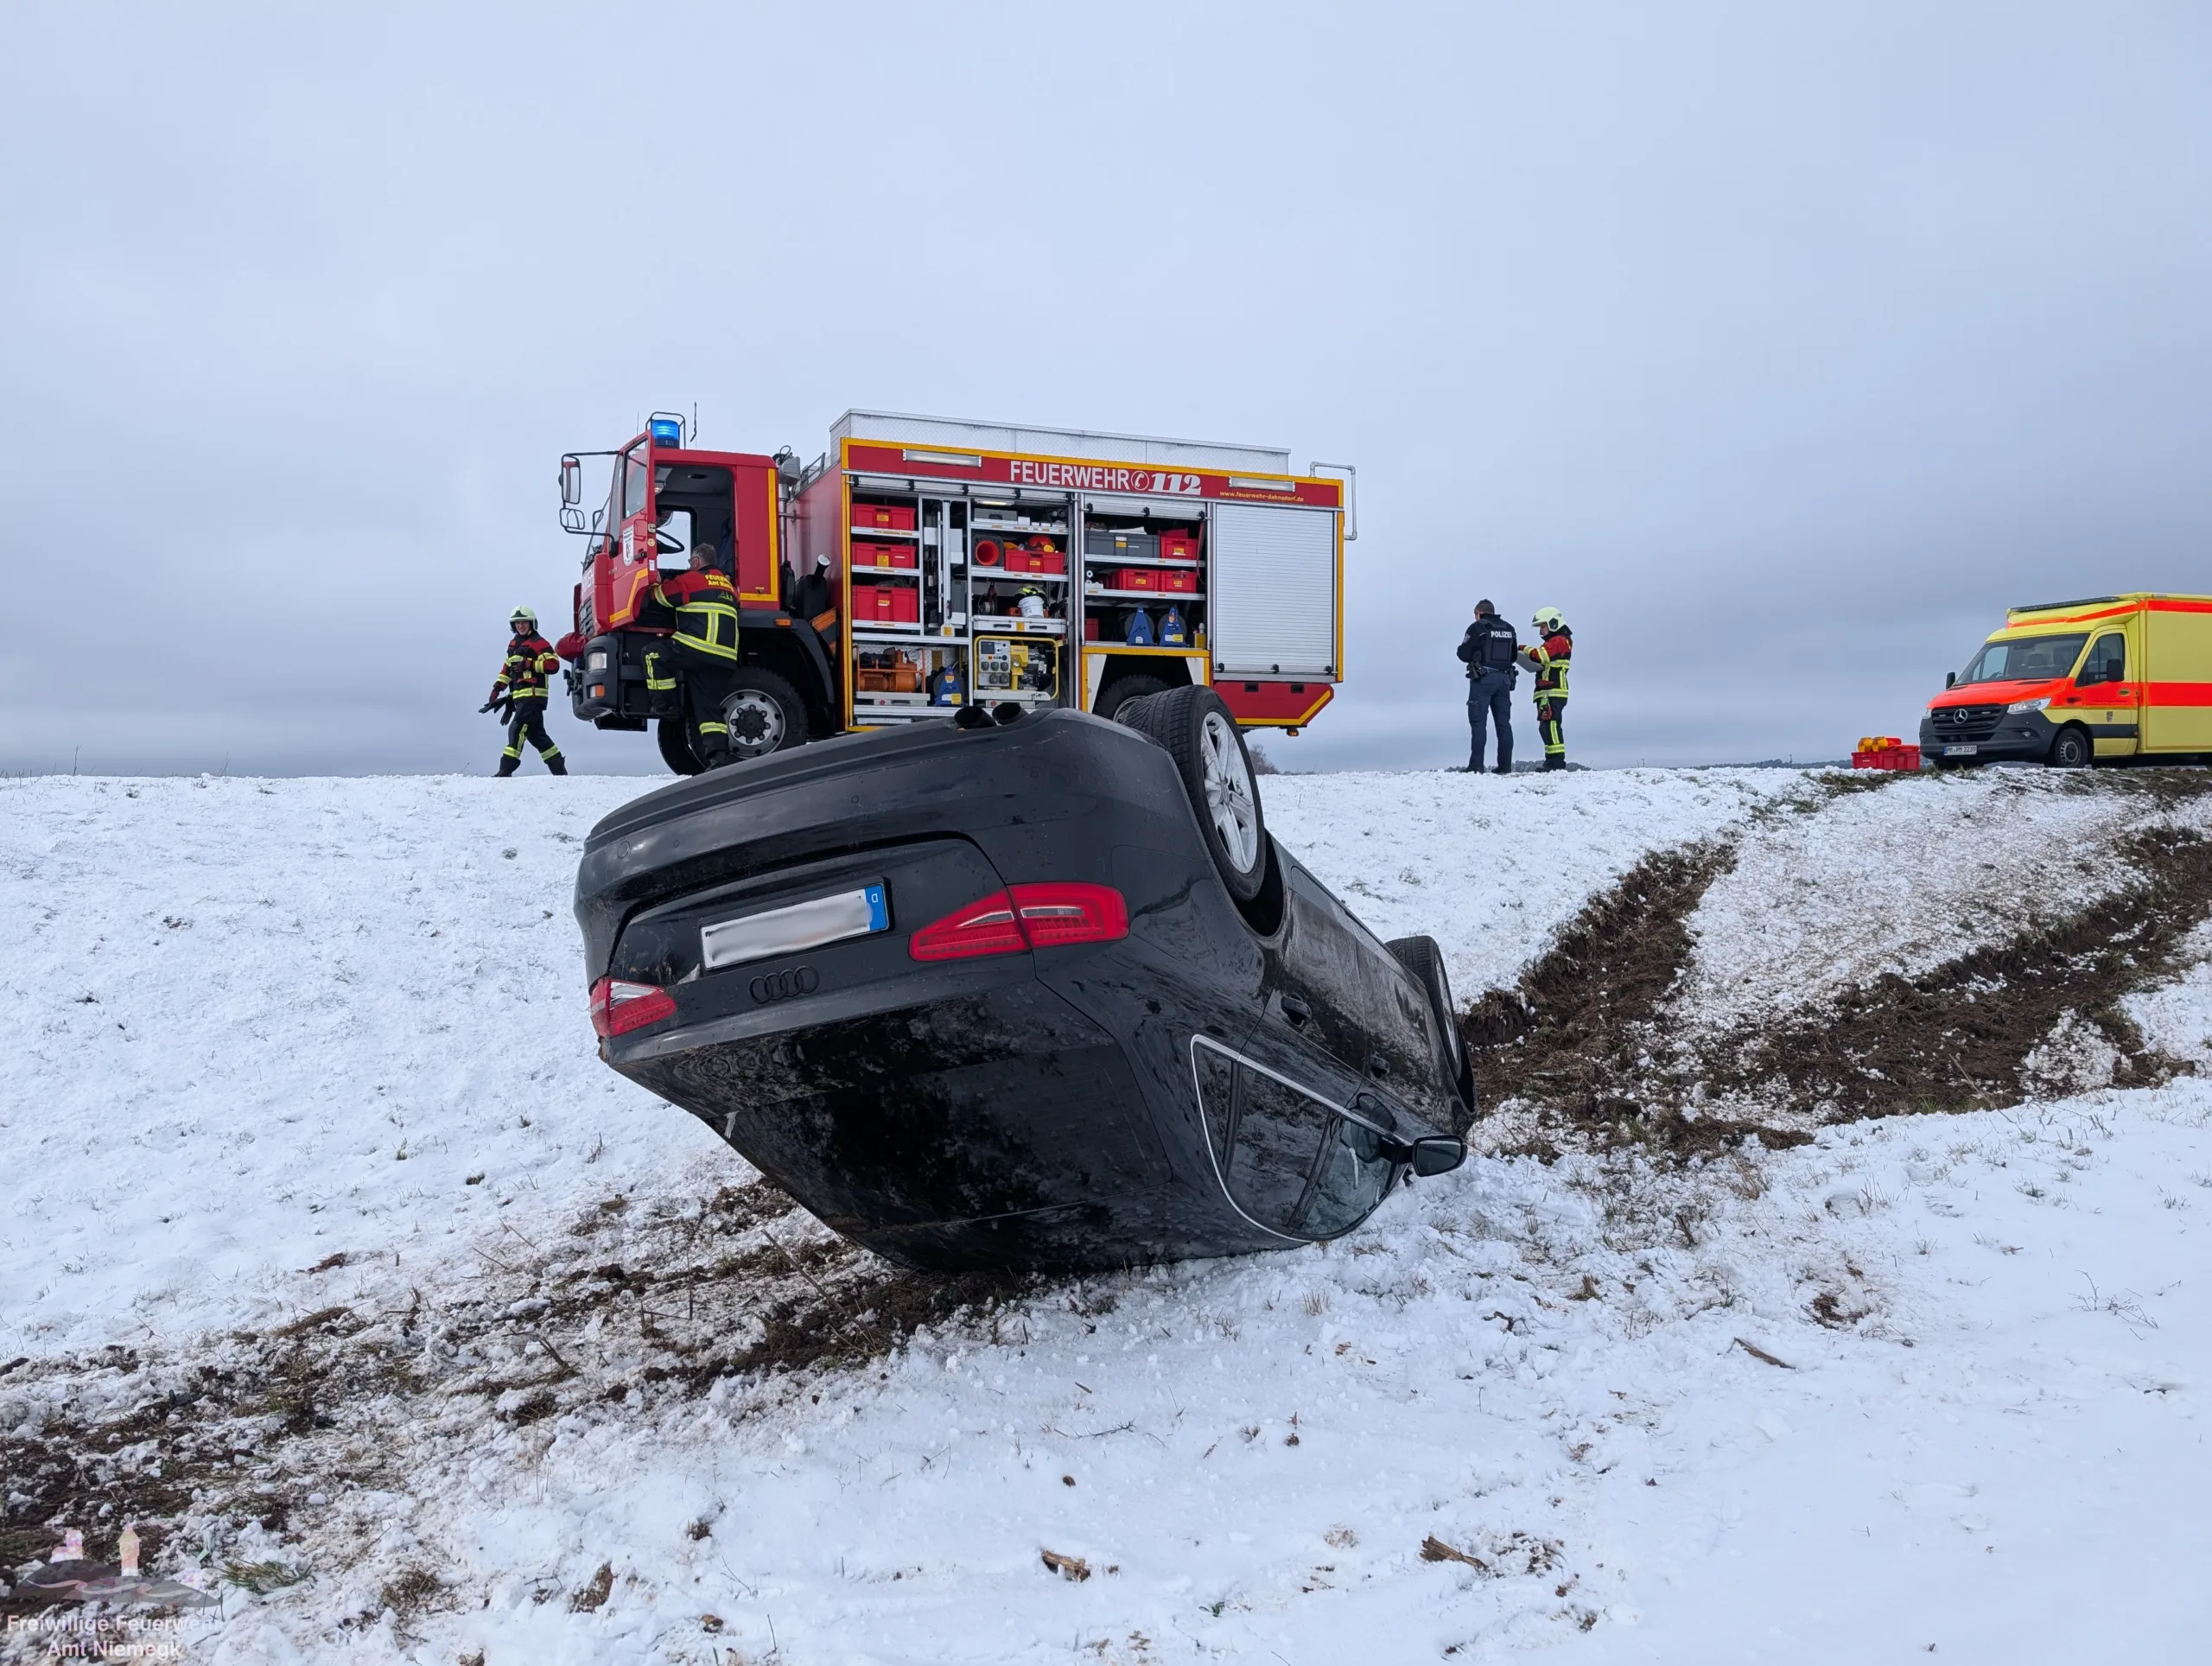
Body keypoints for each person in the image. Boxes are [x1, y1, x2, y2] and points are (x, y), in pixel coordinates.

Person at [654, 542, 741, 766]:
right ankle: (718, 759)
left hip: (695, 648)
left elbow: (660, 597)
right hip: (724, 657)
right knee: (709, 710)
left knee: (652, 655)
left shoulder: (690, 580)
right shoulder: (730, 586)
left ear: (695, 562)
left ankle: (668, 706)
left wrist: (660, 582)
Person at [485, 607, 566, 777]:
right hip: (520, 698)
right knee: (536, 736)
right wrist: (496, 689)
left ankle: (505, 770)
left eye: (524, 622)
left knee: (516, 728)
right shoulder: (513, 644)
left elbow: (553, 665)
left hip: (534, 697)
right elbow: (507, 670)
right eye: (518, 623)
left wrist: (529, 664)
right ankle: (560, 772)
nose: (521, 626)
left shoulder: (539, 643)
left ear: (532, 623)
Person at [1454, 600, 1519, 773]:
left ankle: (1476, 766)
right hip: (1504, 679)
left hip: (1483, 679)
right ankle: (1505, 766)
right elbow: (1513, 657)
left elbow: (1463, 653)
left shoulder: (1477, 628)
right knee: (1504, 724)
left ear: (1479, 613)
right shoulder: (1509, 629)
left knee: (1478, 723)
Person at [1521, 605, 1573, 770]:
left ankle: (1556, 762)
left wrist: (1522, 649)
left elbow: (1540, 656)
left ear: (1553, 623)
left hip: (1553, 691)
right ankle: (1551, 760)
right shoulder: (1558, 641)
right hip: (1547, 692)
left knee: (1551, 726)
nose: (1540, 631)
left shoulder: (1559, 641)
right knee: (1546, 727)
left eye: (1543, 627)